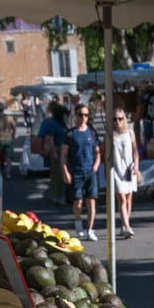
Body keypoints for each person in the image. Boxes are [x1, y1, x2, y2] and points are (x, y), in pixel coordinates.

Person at [61, 103, 101, 241]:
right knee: (78, 202)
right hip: (76, 171)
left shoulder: (92, 132)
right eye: (80, 115)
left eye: (86, 115)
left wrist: (96, 165)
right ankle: (78, 221)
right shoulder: (70, 134)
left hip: (90, 171)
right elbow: (64, 155)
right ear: (76, 115)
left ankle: (90, 229)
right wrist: (65, 171)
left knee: (91, 202)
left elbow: (98, 152)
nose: (83, 117)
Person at [112, 107, 139, 238]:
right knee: (122, 198)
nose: (117, 122)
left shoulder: (130, 133)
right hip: (117, 169)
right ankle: (127, 226)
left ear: (124, 119)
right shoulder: (111, 134)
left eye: (120, 118)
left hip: (129, 167)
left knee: (128, 199)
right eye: (115, 119)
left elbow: (135, 150)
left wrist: (136, 166)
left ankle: (124, 225)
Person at [38, 103, 69, 205]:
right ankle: (58, 196)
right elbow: (50, 139)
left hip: (63, 149)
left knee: (61, 174)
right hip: (57, 149)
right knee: (58, 175)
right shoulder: (53, 124)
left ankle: (62, 195)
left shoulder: (62, 124)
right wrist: (54, 153)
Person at [0, 102, 16, 178]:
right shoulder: (9, 118)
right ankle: (8, 173)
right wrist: (13, 135)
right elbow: (14, 128)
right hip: (8, 138)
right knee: (8, 158)